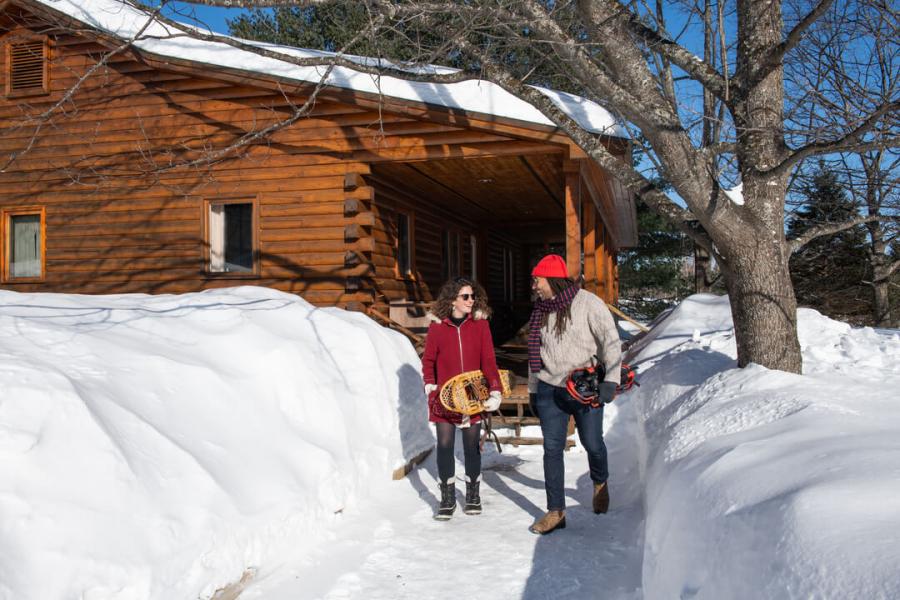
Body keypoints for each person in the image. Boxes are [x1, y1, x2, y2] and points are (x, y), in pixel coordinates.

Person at [526, 254, 622, 535]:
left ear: (552, 279)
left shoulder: (589, 303)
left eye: (537, 280)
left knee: (592, 442)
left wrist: (611, 380)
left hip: (584, 386)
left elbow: (611, 342)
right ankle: (556, 511)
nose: (534, 285)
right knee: (551, 449)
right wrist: (533, 389)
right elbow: (535, 353)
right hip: (548, 387)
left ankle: (600, 482)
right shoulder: (540, 309)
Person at [422, 277, 503, 520]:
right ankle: (447, 498)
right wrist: (430, 385)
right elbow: (429, 361)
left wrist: (495, 389)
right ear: (452, 300)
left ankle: (472, 495)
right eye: (465, 297)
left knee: (471, 447)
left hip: (472, 395)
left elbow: (488, 360)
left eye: (472, 296)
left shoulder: (480, 326)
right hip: (444, 397)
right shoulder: (437, 327)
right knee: (445, 446)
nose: (471, 301)